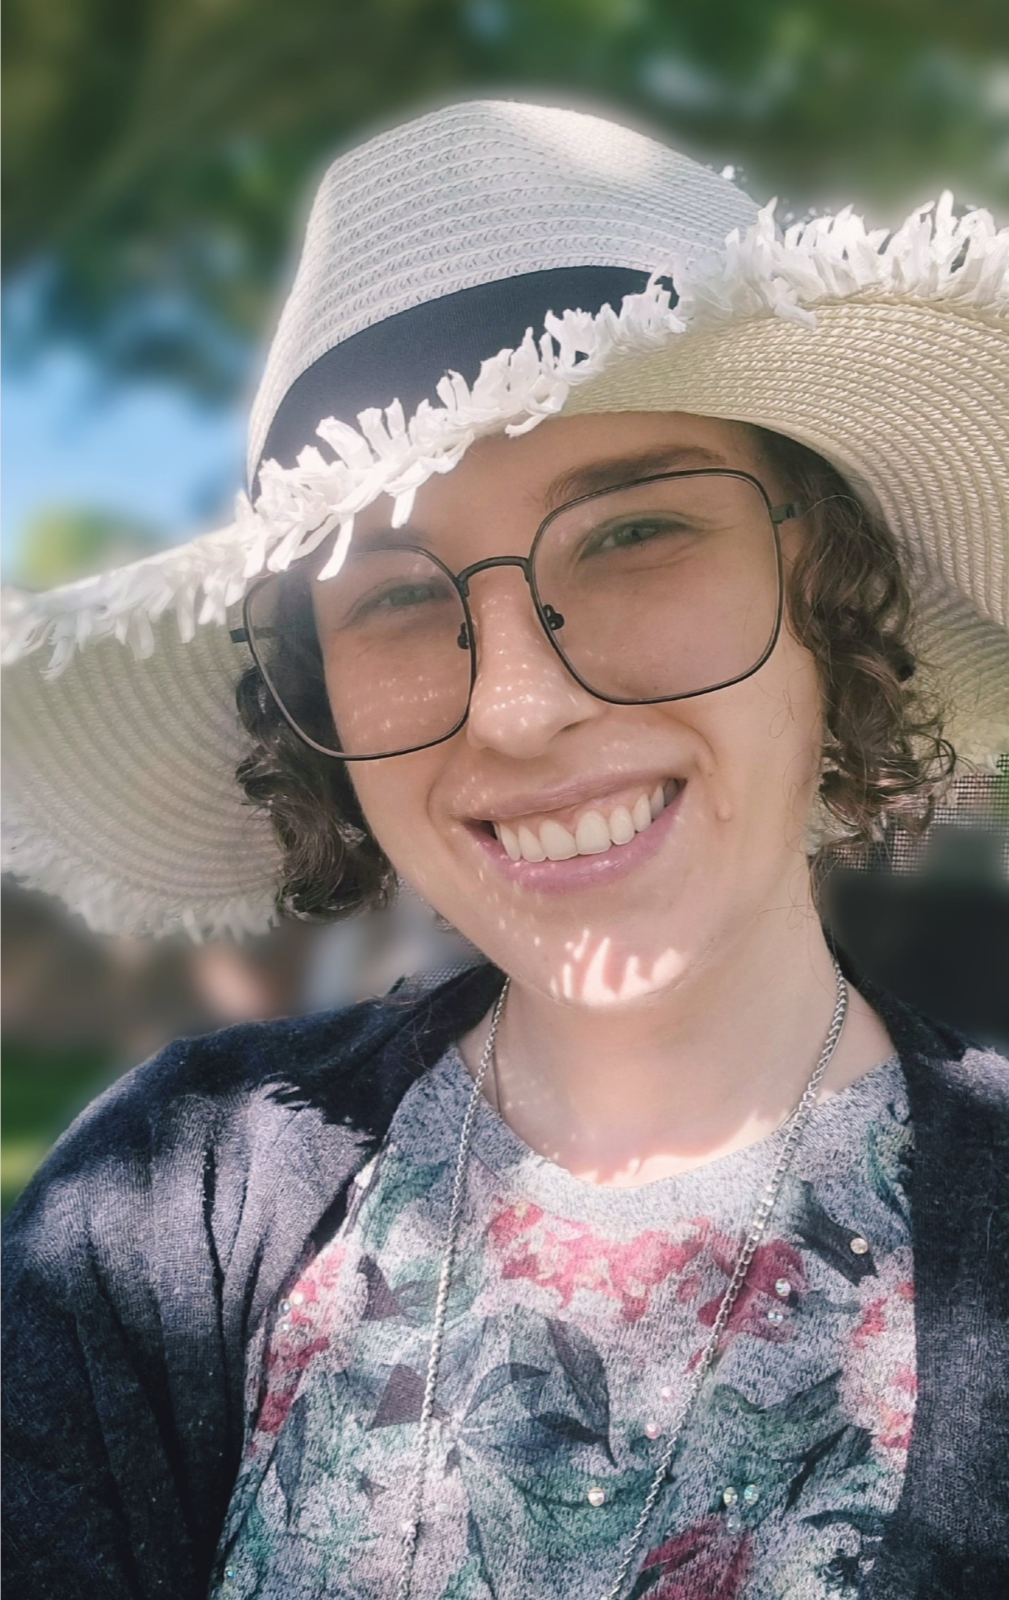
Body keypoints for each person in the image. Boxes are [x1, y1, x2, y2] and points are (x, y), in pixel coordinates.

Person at [2, 100, 1008, 1600]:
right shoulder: (168, 1205)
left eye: (632, 533)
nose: (524, 708)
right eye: (396, 596)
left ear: (822, 578)